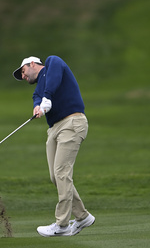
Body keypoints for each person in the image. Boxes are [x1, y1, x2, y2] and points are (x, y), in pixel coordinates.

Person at [13, 55, 95, 237]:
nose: (24, 77)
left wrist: (47, 98)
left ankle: (62, 224)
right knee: (55, 176)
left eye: (24, 72)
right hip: (55, 128)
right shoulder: (40, 87)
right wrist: (37, 106)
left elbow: (53, 77)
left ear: (32, 64)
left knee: (61, 173)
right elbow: (36, 96)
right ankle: (82, 217)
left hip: (72, 122)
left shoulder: (52, 63)